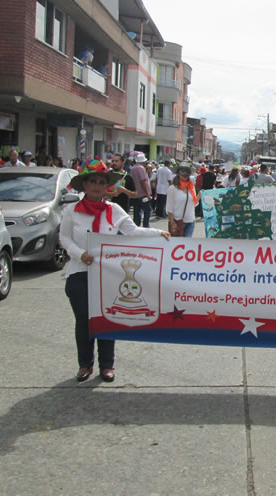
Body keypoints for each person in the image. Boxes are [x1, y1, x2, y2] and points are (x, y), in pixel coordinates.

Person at [60, 159, 170, 383]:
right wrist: (79, 254)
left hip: (106, 275)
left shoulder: (114, 209)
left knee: (106, 317)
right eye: (92, 181)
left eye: (101, 182)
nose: (97, 186)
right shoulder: (72, 210)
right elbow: (64, 238)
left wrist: (158, 234)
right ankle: (85, 364)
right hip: (79, 273)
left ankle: (107, 365)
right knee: (84, 320)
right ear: (84, 185)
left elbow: (132, 231)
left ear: (107, 186)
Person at [166, 161, 198, 237]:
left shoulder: (191, 187)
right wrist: (172, 222)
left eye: (187, 172)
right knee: (177, 247)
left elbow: (194, 203)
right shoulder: (172, 188)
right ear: (178, 173)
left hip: (190, 221)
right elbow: (169, 208)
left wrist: (199, 196)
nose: (185, 174)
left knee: (187, 246)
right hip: (178, 222)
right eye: (182, 172)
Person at [129, 152, 152, 227]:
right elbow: (142, 181)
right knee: (147, 210)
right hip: (143, 194)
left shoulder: (133, 168)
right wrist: (147, 194)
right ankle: (146, 226)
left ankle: (136, 226)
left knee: (137, 211)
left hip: (136, 194)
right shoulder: (141, 168)